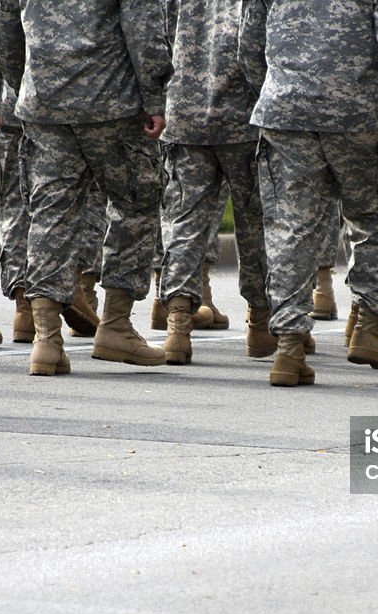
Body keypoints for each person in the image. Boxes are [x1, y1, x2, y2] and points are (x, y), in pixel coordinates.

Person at [238, 0, 378, 386]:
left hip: (285, 108)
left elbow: (248, 42)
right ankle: (370, 328)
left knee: (292, 227)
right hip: (355, 111)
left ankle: (290, 347)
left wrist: (278, 88)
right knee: (377, 217)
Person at [0, 0, 171, 376]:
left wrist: (25, 79)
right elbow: (144, 28)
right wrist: (154, 96)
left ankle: (46, 339)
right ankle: (116, 325)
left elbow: (3, 22)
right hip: (111, 100)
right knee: (133, 205)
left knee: (49, 213)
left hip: (45, 101)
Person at [157, 0, 272, 365]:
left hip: (185, 111)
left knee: (184, 220)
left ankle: (178, 326)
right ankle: (260, 323)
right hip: (244, 115)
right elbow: (255, 46)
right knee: (256, 223)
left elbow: (156, 37)